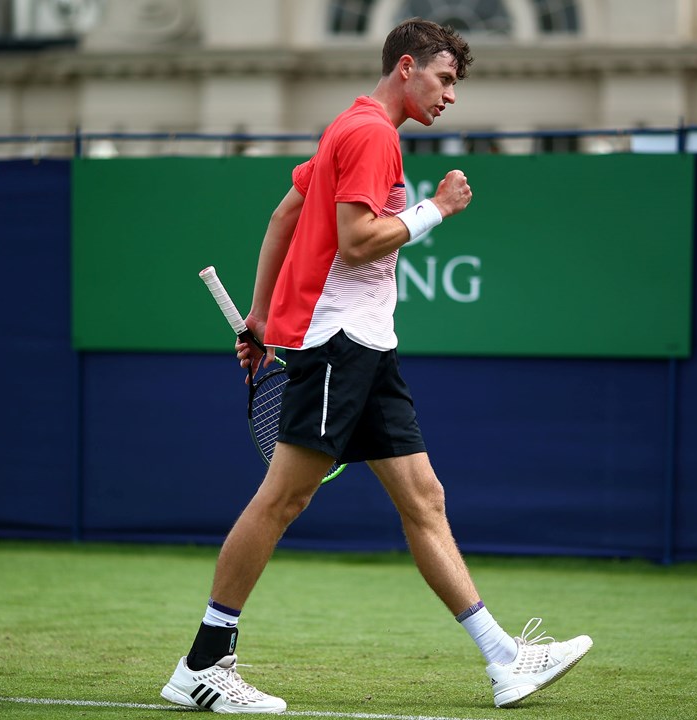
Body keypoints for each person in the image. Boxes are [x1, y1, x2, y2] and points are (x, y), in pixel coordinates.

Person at [161, 17, 592, 714]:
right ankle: (204, 664)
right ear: (406, 69)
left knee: (425, 500)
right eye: (444, 79)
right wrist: (436, 210)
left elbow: (283, 217)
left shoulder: (350, 127)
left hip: (367, 345)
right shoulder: (371, 134)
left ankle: (504, 660)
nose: (450, 96)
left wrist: (261, 317)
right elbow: (358, 242)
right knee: (283, 500)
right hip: (338, 346)